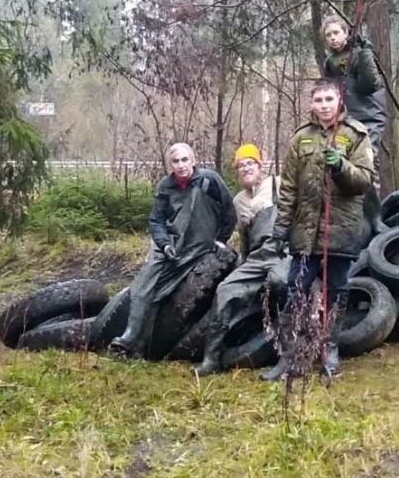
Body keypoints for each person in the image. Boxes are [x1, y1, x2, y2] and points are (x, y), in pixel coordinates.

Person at [259, 78, 375, 381]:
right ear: (311, 104)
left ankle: (329, 349)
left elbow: (364, 181)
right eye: (318, 100)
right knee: (294, 288)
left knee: (337, 289)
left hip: (341, 229)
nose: (324, 106)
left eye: (329, 99)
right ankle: (289, 356)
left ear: (339, 101)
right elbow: (288, 189)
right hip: (305, 230)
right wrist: (280, 232)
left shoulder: (355, 135)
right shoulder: (301, 138)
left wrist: (341, 167)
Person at [110, 142, 236, 359]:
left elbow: (229, 212)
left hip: (202, 247)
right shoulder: (166, 186)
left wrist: (220, 241)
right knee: (144, 287)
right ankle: (131, 339)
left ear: (193, 161)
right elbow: (156, 220)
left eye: (185, 160)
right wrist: (164, 244)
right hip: (173, 247)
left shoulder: (209, 180)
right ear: (170, 164)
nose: (180, 165)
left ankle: (146, 345)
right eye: (175, 161)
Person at [194, 143, 290, 376]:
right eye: (241, 165)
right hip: (257, 257)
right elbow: (245, 239)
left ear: (260, 166)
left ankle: (289, 358)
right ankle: (211, 359)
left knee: (281, 282)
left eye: (250, 163)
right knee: (225, 290)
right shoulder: (239, 201)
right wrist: (244, 267)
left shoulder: (279, 185)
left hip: (283, 251)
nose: (246, 168)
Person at [321, 15, 387, 235]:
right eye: (328, 35)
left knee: (366, 163)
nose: (332, 38)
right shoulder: (330, 62)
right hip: (346, 120)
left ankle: (376, 219)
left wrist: (365, 53)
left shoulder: (360, 53)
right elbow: (330, 91)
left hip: (369, 117)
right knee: (341, 164)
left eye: (336, 33)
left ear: (346, 33)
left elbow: (371, 85)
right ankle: (356, 216)